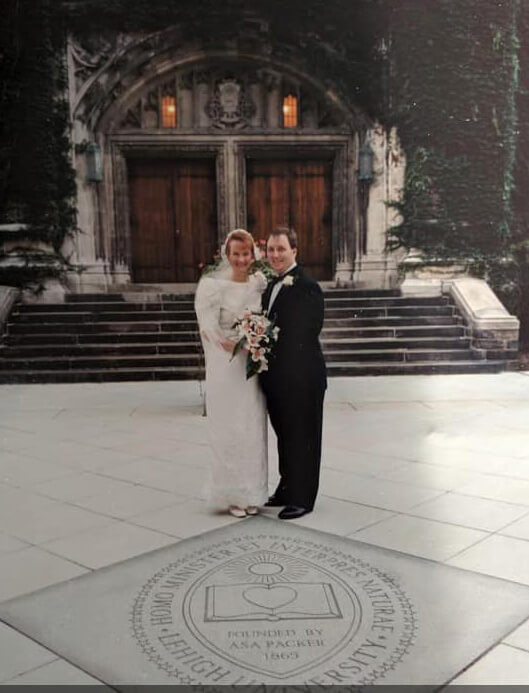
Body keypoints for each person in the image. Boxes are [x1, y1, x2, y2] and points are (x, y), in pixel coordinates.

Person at [194, 229, 268, 518]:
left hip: (249, 367)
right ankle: (232, 494)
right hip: (226, 363)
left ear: (253, 255)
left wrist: (255, 340)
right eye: (236, 254)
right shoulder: (213, 287)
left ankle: (251, 492)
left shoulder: (257, 284)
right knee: (229, 427)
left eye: (245, 254)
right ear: (227, 255)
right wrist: (231, 343)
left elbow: (260, 321)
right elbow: (208, 327)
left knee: (250, 426)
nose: (241, 259)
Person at [259, 226, 327, 520]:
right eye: (271, 249)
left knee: (303, 438)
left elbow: (307, 331)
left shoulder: (306, 285)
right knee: (285, 436)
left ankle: (303, 498)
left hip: (301, 378)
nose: (275, 254)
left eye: (281, 249)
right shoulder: (271, 285)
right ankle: (286, 488)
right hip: (276, 379)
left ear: (294, 251)